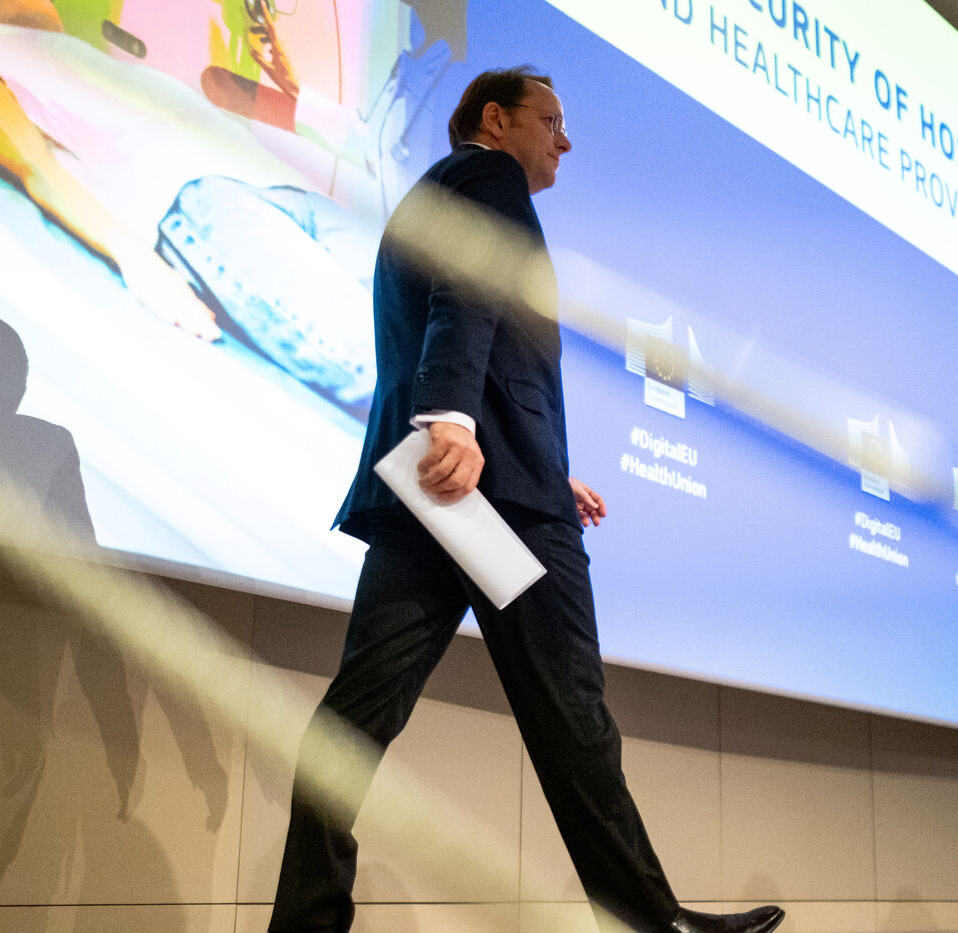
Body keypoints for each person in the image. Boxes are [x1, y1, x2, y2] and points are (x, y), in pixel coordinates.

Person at [267, 67, 785, 933]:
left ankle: (306, 923)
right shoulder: (489, 175)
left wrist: (533, 461)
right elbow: (466, 295)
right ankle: (649, 921)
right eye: (551, 120)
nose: (565, 141)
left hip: (446, 491)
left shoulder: (439, 189)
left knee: (357, 717)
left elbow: (467, 332)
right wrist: (453, 419)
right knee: (570, 713)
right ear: (496, 120)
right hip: (484, 495)